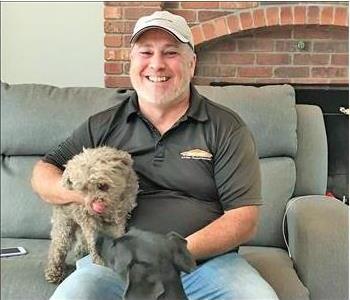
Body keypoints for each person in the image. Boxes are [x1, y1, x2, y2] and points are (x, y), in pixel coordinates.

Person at [31, 10, 279, 300]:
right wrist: (85, 197)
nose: (157, 64)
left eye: (170, 52)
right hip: (114, 264)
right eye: (145, 52)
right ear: (132, 62)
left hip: (205, 265)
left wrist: (173, 251)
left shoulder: (226, 127)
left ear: (192, 63)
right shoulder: (103, 124)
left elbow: (243, 218)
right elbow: (44, 171)